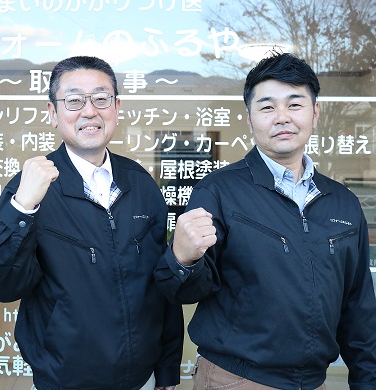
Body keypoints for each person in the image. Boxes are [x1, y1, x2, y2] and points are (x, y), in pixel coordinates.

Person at [154, 52, 376, 389]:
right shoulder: (218, 191)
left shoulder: (343, 202)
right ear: (250, 118)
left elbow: (358, 309)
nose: (282, 117)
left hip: (314, 381)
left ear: (315, 113)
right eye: (267, 107)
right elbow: (184, 291)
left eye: (295, 104)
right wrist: (182, 259)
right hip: (235, 379)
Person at [0, 56, 183, 390]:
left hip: (142, 380)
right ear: (52, 112)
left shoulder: (141, 183)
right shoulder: (29, 188)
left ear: (116, 107)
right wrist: (23, 209)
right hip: (62, 381)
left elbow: (162, 285)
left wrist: (167, 368)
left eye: (100, 99)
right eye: (74, 101)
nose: (89, 111)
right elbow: (0, 286)